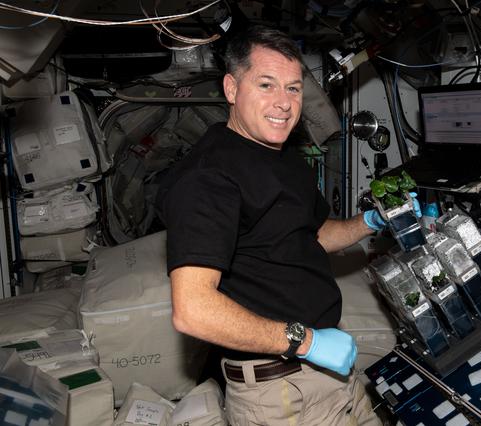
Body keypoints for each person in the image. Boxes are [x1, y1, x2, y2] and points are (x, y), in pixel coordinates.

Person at [157, 25, 395, 425]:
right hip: (282, 394)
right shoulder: (208, 177)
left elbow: (312, 235)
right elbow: (193, 310)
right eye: (266, 85)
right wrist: (307, 342)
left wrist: (371, 220)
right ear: (232, 88)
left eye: (293, 88)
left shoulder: (282, 156)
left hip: (332, 376)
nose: (283, 103)